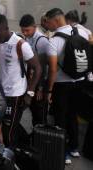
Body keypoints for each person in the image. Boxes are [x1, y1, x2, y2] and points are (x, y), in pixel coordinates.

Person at [0, 15, 42, 148]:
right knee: (6, 127)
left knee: (9, 132)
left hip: (16, 95)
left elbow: (38, 68)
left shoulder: (20, 45)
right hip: (1, 93)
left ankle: (11, 159)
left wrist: (30, 94)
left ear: (6, 28)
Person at [45, 8, 90, 164]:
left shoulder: (54, 40)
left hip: (62, 85)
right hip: (80, 82)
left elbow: (52, 69)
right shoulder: (83, 32)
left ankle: (62, 152)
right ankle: (74, 148)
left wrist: (49, 91)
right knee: (73, 115)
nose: (47, 24)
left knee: (60, 117)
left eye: (48, 21)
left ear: (56, 20)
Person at [19, 14, 57, 126]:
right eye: (22, 31)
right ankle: (35, 136)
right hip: (33, 81)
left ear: (34, 27)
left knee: (40, 113)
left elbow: (44, 67)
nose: (25, 33)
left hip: (40, 84)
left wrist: (40, 88)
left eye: (27, 30)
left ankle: (41, 138)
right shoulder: (29, 38)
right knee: (34, 112)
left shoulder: (41, 41)